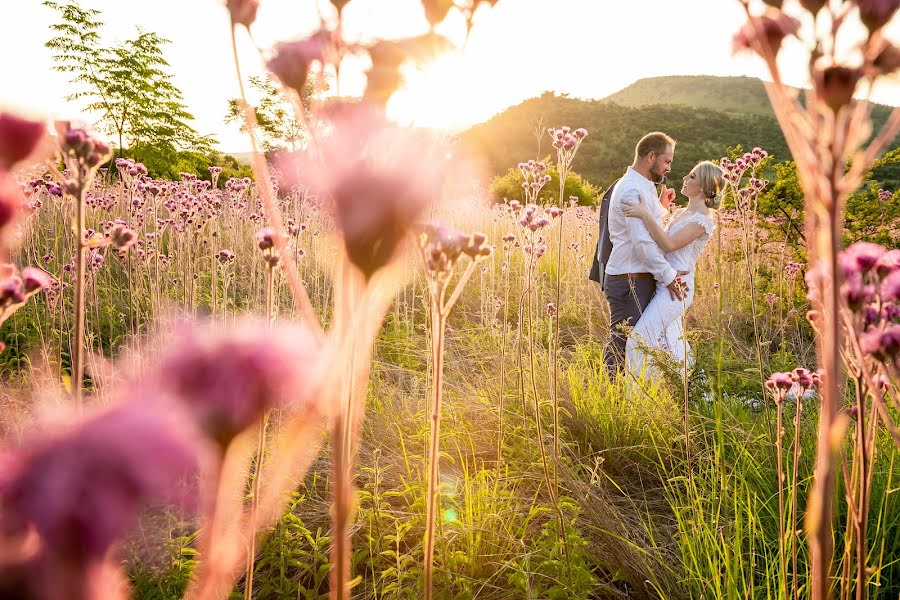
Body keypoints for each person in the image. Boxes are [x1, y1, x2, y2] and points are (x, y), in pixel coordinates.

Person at [621, 160, 726, 374]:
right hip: (665, 282)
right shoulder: (681, 213)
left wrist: (643, 213)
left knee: (637, 341)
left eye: (692, 176)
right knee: (669, 341)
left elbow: (668, 244)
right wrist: (661, 208)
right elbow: (663, 238)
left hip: (677, 290)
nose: (685, 179)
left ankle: (638, 394)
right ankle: (684, 386)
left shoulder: (701, 222)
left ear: (705, 187)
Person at [601, 132, 686, 375]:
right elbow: (642, 243)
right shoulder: (631, 190)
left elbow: (646, 230)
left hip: (637, 277)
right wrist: (669, 276)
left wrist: (661, 208)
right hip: (630, 279)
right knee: (623, 343)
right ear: (651, 156)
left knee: (636, 342)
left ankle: (627, 395)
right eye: (667, 161)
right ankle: (613, 400)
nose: (669, 167)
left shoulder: (643, 187)